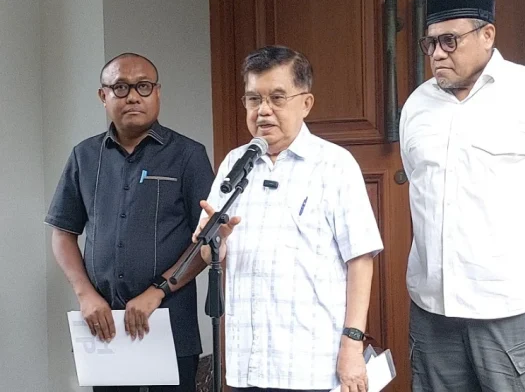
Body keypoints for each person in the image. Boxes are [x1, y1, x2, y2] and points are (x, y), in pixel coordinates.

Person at [399, 0, 525, 391]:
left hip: (516, 308)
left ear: (487, 34)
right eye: (430, 42)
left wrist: (516, 247)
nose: (437, 53)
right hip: (434, 312)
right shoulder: (416, 107)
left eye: (449, 41)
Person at [193, 45, 383, 392]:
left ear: (305, 103)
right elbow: (209, 255)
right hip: (247, 362)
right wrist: (215, 243)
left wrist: (352, 344)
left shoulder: (334, 165)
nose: (263, 110)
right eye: (253, 99)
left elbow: (360, 259)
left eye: (277, 98)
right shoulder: (234, 163)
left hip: (310, 363)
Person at [45, 52, 224, 392]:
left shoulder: (188, 155)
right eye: (120, 87)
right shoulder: (85, 156)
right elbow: (63, 233)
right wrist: (85, 295)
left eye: (143, 86)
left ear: (157, 93)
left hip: (169, 323)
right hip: (104, 326)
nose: (132, 96)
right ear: (103, 96)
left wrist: (158, 291)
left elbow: (207, 240)